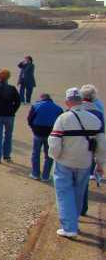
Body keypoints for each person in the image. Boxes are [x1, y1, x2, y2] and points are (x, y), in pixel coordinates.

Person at [49, 88, 106, 238]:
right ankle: (74, 222)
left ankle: (69, 227)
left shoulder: (63, 118)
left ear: (68, 102)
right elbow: (102, 144)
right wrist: (100, 164)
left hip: (65, 160)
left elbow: (54, 142)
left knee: (64, 192)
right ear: (81, 100)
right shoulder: (95, 119)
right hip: (85, 162)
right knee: (78, 192)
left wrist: (55, 156)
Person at [80, 84, 105, 216]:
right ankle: (82, 208)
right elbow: (101, 138)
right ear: (93, 96)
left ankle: (71, 210)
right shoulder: (98, 112)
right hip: (89, 150)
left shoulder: (72, 111)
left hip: (71, 152)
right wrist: (100, 162)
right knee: (83, 181)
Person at [27, 93, 63, 181]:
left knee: (36, 153)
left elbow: (29, 119)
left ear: (41, 98)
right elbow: (61, 123)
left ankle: (35, 174)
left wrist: (33, 128)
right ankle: (45, 176)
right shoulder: (58, 108)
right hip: (51, 134)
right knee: (49, 155)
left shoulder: (35, 106)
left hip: (38, 133)